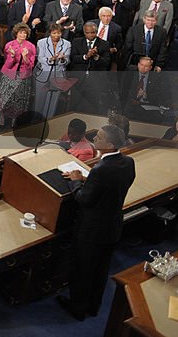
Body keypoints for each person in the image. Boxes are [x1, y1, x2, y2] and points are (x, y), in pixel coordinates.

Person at [57, 125, 136, 321]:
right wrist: (89, 178)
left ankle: (77, 308)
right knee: (100, 270)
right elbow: (111, 185)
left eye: (99, 137)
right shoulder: (127, 162)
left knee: (83, 269)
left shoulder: (102, 169)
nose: (94, 139)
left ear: (109, 145)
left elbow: (84, 199)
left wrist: (76, 180)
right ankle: (93, 306)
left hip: (91, 231)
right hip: (112, 227)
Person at [0, 24, 36, 127]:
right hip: (9, 74)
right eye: (20, 32)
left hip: (23, 76)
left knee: (19, 99)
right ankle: (2, 115)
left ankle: (15, 119)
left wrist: (25, 57)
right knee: (4, 96)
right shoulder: (9, 45)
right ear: (16, 33)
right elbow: (7, 64)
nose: (23, 35)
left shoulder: (31, 47)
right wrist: (12, 56)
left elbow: (30, 66)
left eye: (25, 33)